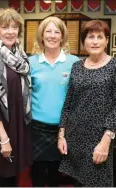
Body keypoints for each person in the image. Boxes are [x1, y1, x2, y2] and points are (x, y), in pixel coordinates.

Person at [57, 20, 116, 187]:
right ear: (84, 41)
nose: (95, 41)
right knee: (78, 183)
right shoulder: (77, 66)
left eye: (99, 37)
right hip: (74, 138)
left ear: (107, 41)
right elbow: (68, 103)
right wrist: (61, 135)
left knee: (99, 182)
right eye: (90, 37)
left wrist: (105, 141)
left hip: (100, 139)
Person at [0, 8, 32, 187]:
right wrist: (4, 138)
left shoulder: (21, 57)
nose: (10, 31)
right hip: (0, 130)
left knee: (13, 178)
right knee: (2, 178)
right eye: (5, 27)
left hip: (16, 126)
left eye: (14, 27)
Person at [29, 16, 79, 187]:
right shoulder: (30, 63)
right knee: (37, 177)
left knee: (57, 179)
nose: (52, 35)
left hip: (63, 130)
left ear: (62, 36)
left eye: (56, 31)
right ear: (41, 36)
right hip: (37, 129)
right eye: (48, 31)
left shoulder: (74, 63)